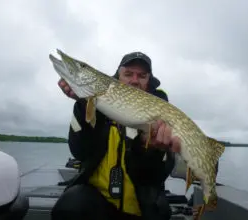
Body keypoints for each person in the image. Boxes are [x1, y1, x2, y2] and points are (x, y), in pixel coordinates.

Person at [51, 51, 182, 220]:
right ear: (117, 77)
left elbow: (154, 177)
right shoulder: (92, 104)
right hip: (97, 203)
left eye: (142, 76)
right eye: (128, 74)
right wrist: (84, 104)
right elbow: (80, 151)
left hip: (141, 207)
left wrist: (149, 149)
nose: (134, 80)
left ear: (148, 82)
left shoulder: (159, 117)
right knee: (70, 205)